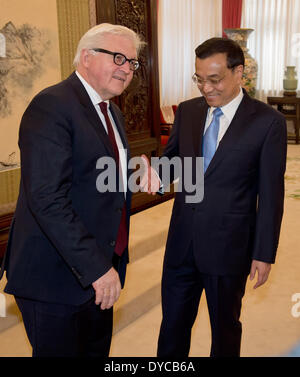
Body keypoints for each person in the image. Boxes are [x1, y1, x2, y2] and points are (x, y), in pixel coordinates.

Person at [0, 23, 144, 357]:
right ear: (86, 57)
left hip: (100, 267)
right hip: (56, 276)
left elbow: (98, 178)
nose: (127, 69)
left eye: (133, 63)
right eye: (118, 58)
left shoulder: (113, 112)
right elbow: (47, 197)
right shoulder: (52, 105)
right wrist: (97, 267)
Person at [145, 37, 287, 357]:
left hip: (229, 246)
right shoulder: (189, 111)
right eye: (199, 79)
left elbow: (271, 194)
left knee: (224, 328)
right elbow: (175, 162)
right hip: (182, 242)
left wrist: (264, 253)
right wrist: (154, 174)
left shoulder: (268, 122)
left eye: (214, 79)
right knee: (173, 326)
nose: (206, 88)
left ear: (239, 72)